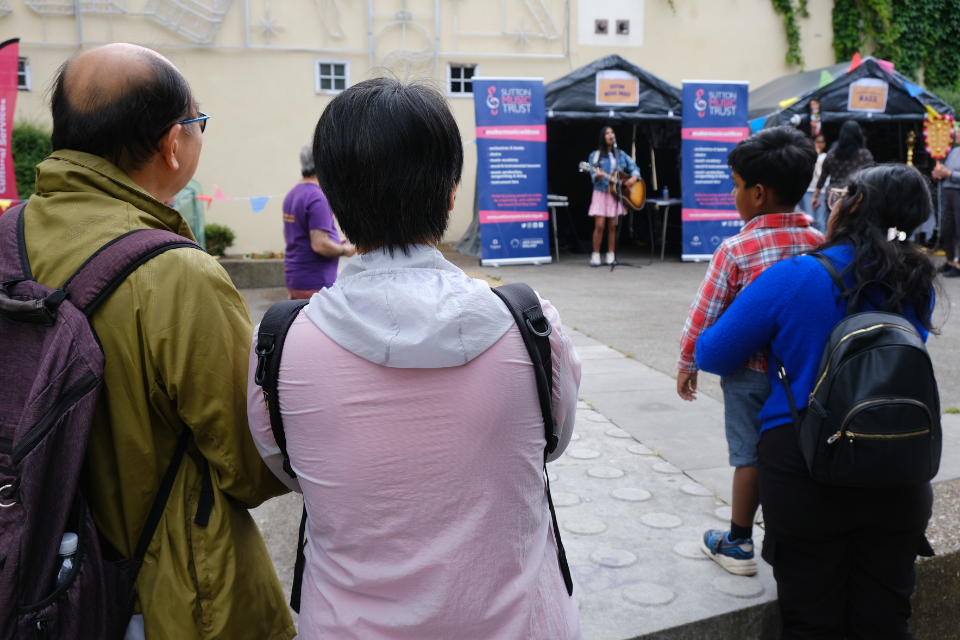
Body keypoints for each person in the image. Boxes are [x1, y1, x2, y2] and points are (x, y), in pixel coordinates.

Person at [247, 78, 584, 639]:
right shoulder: (530, 325)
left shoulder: (279, 344)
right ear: (452, 193)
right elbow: (554, 440)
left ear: (330, 196)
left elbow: (288, 467)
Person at [24, 44, 294, 640]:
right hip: (162, 596)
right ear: (174, 143)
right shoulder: (177, 274)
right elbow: (252, 467)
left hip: (30, 575)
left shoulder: (6, 239)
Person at [696, 164, 938, 638]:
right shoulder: (917, 283)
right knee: (886, 620)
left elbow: (713, 353)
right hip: (899, 468)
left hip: (807, 468)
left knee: (812, 622)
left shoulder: (796, 276)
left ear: (852, 207)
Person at [677, 126, 824, 576]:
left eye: (737, 187)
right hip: (805, 374)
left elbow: (704, 315)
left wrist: (687, 363)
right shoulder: (820, 243)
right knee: (801, 450)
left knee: (749, 456)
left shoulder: (737, 249)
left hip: (749, 376)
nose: (734, 195)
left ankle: (739, 542)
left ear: (758, 193)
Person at [283, 144, 356, 299]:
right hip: (315, 283)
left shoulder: (292, 194)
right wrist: (346, 250)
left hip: (296, 279)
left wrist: (335, 241)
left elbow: (292, 235)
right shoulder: (318, 197)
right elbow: (320, 244)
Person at [586, 126, 641, 266]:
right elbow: (593, 173)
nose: (610, 135)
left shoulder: (621, 154)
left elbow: (634, 167)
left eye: (612, 132)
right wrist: (597, 175)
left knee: (613, 226)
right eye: (607, 133)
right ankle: (596, 254)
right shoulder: (596, 155)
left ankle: (611, 254)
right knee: (599, 225)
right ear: (602, 137)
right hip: (601, 193)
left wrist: (634, 177)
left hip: (616, 194)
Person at [812, 120, 874, 211]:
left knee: (833, 224)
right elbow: (871, 177)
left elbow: (823, 177)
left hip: (833, 197)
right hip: (855, 195)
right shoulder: (865, 155)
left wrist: (815, 196)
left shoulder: (832, 154)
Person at [931, 144, 960, 277]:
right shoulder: (954, 150)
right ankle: (950, 261)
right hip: (948, 192)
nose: (958, 133)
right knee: (947, 228)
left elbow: (950, 172)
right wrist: (940, 172)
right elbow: (946, 170)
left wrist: (949, 174)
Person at [799, 134, 827, 232]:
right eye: (817, 142)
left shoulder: (826, 157)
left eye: (822, 142)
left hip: (821, 191)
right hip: (809, 189)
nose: (819, 144)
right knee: (809, 217)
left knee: (821, 219)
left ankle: (822, 241)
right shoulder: (808, 156)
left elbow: (821, 174)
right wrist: (815, 158)